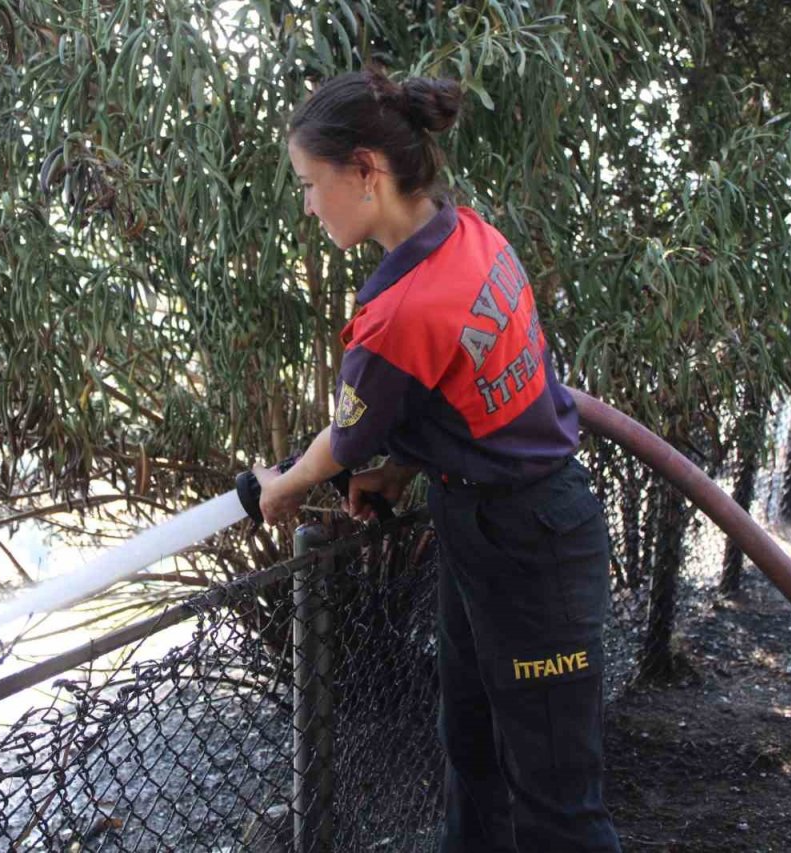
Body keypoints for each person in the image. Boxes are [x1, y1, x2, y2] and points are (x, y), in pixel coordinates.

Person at [251, 67, 622, 852]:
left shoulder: (400, 311)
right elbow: (471, 393)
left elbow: (342, 444)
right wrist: (405, 470)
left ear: (366, 171)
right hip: (487, 518)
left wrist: (279, 487)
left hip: (530, 547)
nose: (309, 206)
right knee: (473, 747)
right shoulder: (470, 236)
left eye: (311, 185)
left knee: (560, 803)